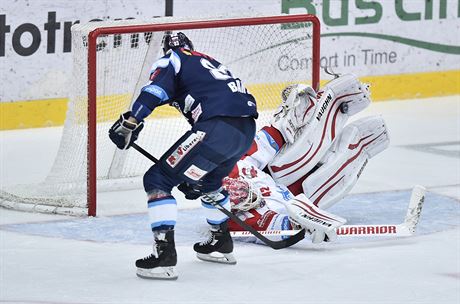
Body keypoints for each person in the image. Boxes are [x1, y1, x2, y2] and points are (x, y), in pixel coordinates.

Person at [109, 32, 258, 280]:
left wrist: (130, 123)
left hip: (215, 128)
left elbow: (155, 91)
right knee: (207, 183)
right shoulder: (209, 62)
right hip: (244, 133)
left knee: (158, 180)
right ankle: (221, 243)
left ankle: (163, 255)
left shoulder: (173, 58)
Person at [222, 73, 390, 243]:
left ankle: (304, 119)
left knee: (285, 161)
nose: (238, 190)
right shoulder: (241, 218)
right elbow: (278, 225)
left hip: (282, 181)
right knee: (320, 177)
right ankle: (354, 150)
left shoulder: (234, 165)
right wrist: (300, 225)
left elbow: (265, 143)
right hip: (298, 200)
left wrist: (286, 124)